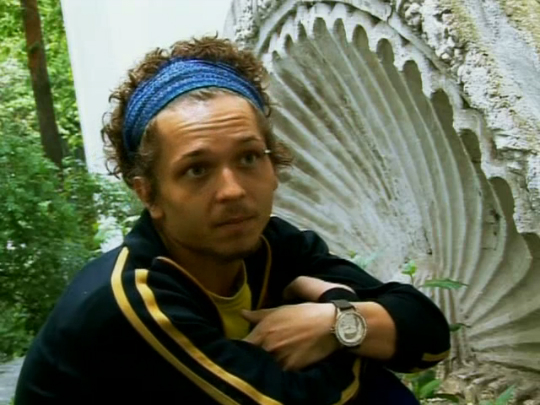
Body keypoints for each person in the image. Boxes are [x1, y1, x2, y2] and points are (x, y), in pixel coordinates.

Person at [15, 36, 450, 404]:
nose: (233, 191)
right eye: (197, 170)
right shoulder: (132, 297)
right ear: (148, 193)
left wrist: (332, 322)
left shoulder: (273, 246)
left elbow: (429, 337)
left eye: (248, 158)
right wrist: (344, 307)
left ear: (273, 166)